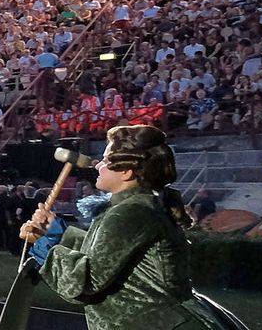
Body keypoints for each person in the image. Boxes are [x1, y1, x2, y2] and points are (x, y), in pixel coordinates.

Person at [21, 125, 238, 329]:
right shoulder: (134, 206)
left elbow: (87, 282)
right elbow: (108, 255)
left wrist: (44, 246)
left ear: (127, 172)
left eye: (106, 160)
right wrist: (56, 233)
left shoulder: (131, 211)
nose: (98, 164)